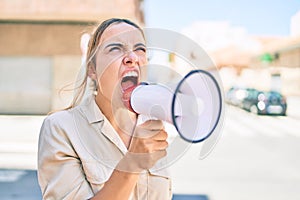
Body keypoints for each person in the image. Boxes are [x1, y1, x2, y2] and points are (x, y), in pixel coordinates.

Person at [38, 18, 172, 200]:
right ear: (92, 69)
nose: (132, 58)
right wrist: (132, 163)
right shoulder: (61, 128)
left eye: (140, 49)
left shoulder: (151, 125)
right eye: (116, 48)